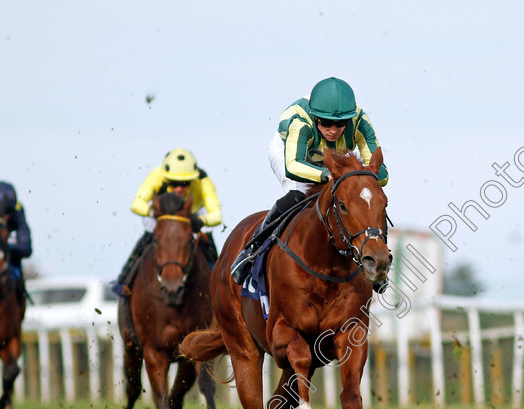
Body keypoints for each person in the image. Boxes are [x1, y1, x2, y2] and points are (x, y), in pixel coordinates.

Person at [230, 77, 389, 291]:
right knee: (297, 194)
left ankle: (379, 262)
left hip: (335, 161)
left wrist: (357, 181)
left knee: (368, 200)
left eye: (340, 124)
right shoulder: (300, 120)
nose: (333, 130)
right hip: (294, 153)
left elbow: (383, 175)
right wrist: (329, 176)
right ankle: (251, 252)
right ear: (315, 117)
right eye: (326, 123)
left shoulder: (360, 121)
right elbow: (293, 166)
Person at [111, 148, 222, 297]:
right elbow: (136, 204)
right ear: (166, 178)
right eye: (174, 183)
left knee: (207, 240)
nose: (179, 188)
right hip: (161, 214)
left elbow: (217, 215)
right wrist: (154, 213)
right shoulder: (157, 175)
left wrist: (202, 220)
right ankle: (124, 280)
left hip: (192, 214)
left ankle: (220, 285)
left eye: (185, 183)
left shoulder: (203, 180)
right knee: (149, 235)